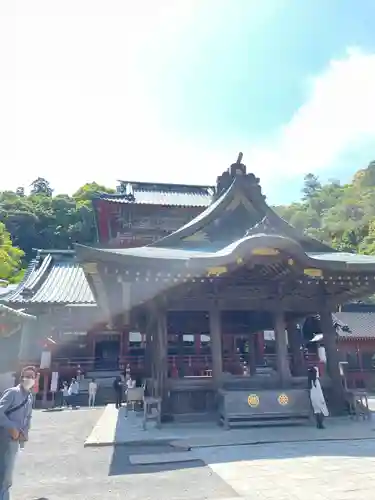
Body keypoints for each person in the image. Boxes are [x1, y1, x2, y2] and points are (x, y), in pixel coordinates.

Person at [0, 366, 36, 500]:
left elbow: (28, 418)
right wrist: (12, 428)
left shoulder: (30, 397)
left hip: (15, 441)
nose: (29, 379)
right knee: (4, 476)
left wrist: (25, 434)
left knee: (7, 477)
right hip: (3, 438)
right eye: (27, 376)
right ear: (21, 378)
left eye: (32, 377)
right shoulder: (12, 392)